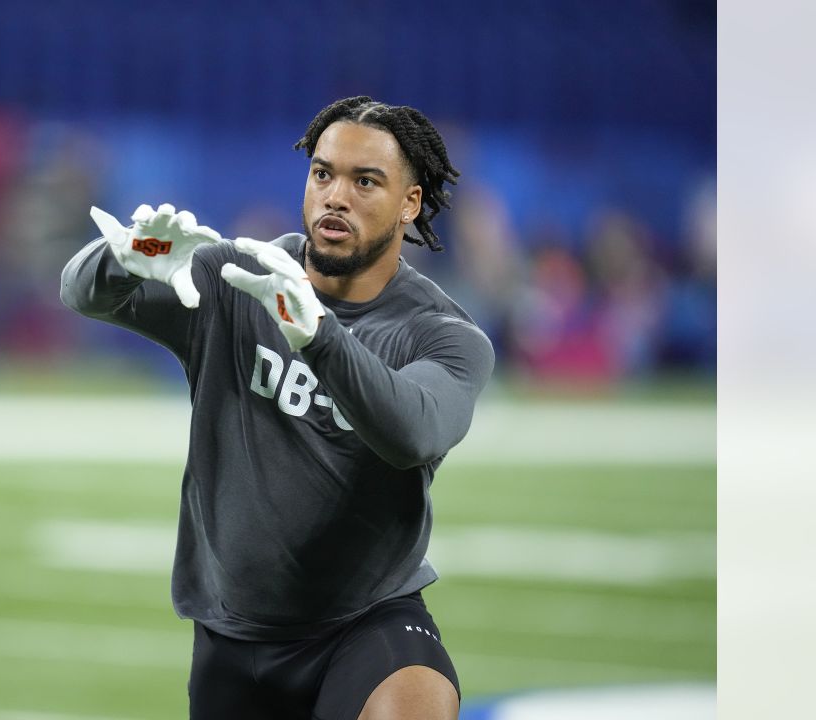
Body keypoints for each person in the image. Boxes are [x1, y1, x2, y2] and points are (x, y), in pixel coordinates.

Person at [60, 96, 494, 720]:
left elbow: (414, 433)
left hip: (366, 623)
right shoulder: (238, 279)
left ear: (411, 203)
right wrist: (123, 258)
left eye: (365, 180)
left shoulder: (444, 336)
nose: (335, 196)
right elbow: (83, 294)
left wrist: (319, 336)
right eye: (323, 173)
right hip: (230, 634)